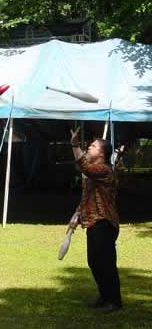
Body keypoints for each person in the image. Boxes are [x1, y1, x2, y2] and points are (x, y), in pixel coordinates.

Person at [69, 127, 122, 313]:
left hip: (104, 222)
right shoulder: (93, 174)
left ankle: (114, 302)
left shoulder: (105, 171)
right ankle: (104, 296)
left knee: (106, 263)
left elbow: (83, 165)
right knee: (94, 262)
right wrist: (77, 214)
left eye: (92, 146)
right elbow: (87, 197)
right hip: (93, 221)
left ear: (101, 153)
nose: (88, 148)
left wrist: (74, 145)